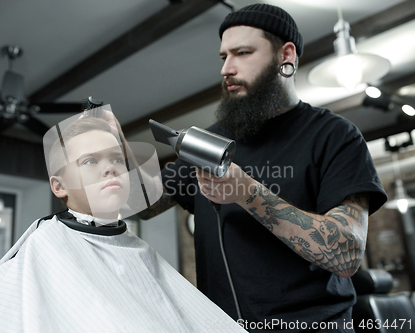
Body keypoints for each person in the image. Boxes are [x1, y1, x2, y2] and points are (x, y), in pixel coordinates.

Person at [139, 4, 387, 332]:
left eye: (242, 52)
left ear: (286, 55)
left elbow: (346, 254)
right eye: (223, 57)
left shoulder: (334, 136)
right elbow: (139, 202)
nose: (227, 68)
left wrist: (247, 192)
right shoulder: (208, 142)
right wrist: (103, 154)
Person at [0, 115, 246, 333]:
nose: (110, 169)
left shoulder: (136, 249)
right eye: (90, 161)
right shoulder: (47, 244)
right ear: (58, 186)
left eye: (116, 159)